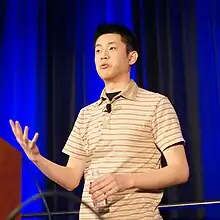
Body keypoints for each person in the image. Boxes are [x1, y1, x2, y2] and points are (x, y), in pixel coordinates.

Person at [9, 23, 189, 220]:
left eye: (111, 48)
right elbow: (71, 179)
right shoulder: (86, 114)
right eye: (98, 50)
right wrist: (37, 158)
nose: (103, 55)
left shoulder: (156, 104)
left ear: (132, 57)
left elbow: (179, 170)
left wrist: (126, 180)